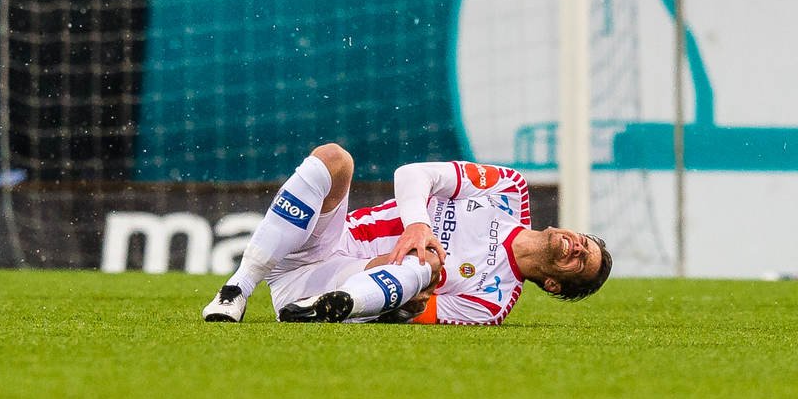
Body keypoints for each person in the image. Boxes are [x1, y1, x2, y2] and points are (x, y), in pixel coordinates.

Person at [201, 142, 611, 325]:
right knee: (334, 158)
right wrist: (419, 225)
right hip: (322, 240)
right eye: (584, 242)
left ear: (555, 284)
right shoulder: (508, 189)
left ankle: (316, 309)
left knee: (429, 267)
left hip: (336, 282)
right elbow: (413, 174)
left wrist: (411, 299)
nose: (576, 246)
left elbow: (409, 313)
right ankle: (236, 289)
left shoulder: (491, 305)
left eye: (580, 260)